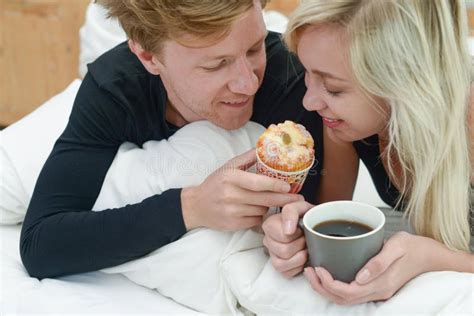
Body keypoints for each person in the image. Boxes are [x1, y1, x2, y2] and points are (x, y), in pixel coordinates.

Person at [21, 0, 352, 279]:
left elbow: (326, 214)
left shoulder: (296, 82)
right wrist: (191, 207)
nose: (247, 83)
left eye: (254, 48)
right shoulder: (115, 89)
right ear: (149, 57)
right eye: (216, 65)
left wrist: (294, 239)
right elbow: (41, 245)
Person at [262, 0, 474, 305]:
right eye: (308, 73)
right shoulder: (341, 122)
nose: (309, 102)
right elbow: (329, 212)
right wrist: (294, 235)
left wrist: (432, 257)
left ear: (405, 80)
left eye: (334, 88)